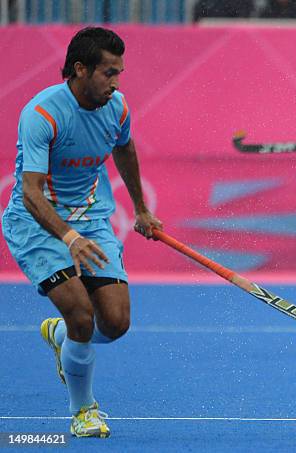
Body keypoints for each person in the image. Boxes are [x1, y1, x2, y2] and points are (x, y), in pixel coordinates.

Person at [1, 27, 162, 437]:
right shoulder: (43, 114)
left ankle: (60, 336)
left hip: (91, 219)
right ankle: (83, 410)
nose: (116, 81)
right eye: (108, 73)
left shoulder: (118, 107)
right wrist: (69, 238)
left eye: (119, 73)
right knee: (80, 313)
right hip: (36, 223)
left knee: (115, 322)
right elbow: (30, 192)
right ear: (80, 69)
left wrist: (141, 208)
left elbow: (124, 147)